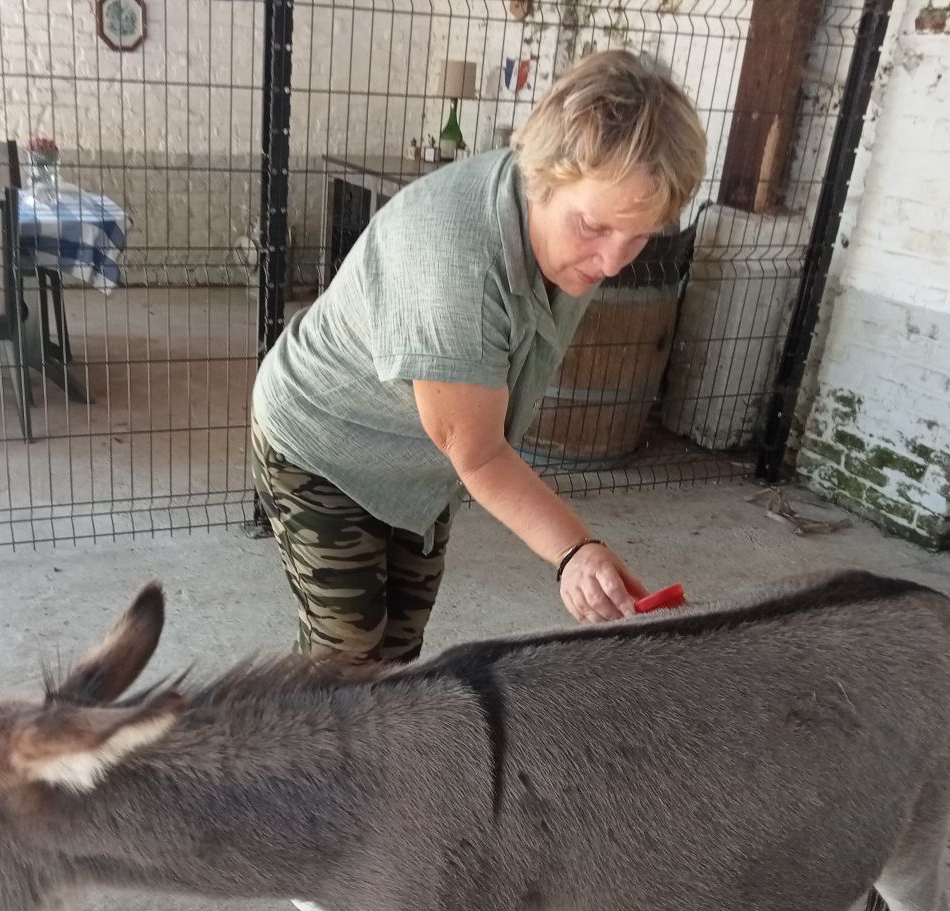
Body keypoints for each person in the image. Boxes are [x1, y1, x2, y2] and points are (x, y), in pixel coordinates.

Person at [251, 49, 707, 668]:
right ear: (542, 175)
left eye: (640, 235)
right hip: (323, 442)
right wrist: (574, 552)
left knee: (399, 648)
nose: (612, 263)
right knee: (346, 656)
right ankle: (299, 734)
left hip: (416, 452)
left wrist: (575, 548)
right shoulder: (453, 265)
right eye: (594, 228)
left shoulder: (571, 220)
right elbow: (480, 454)